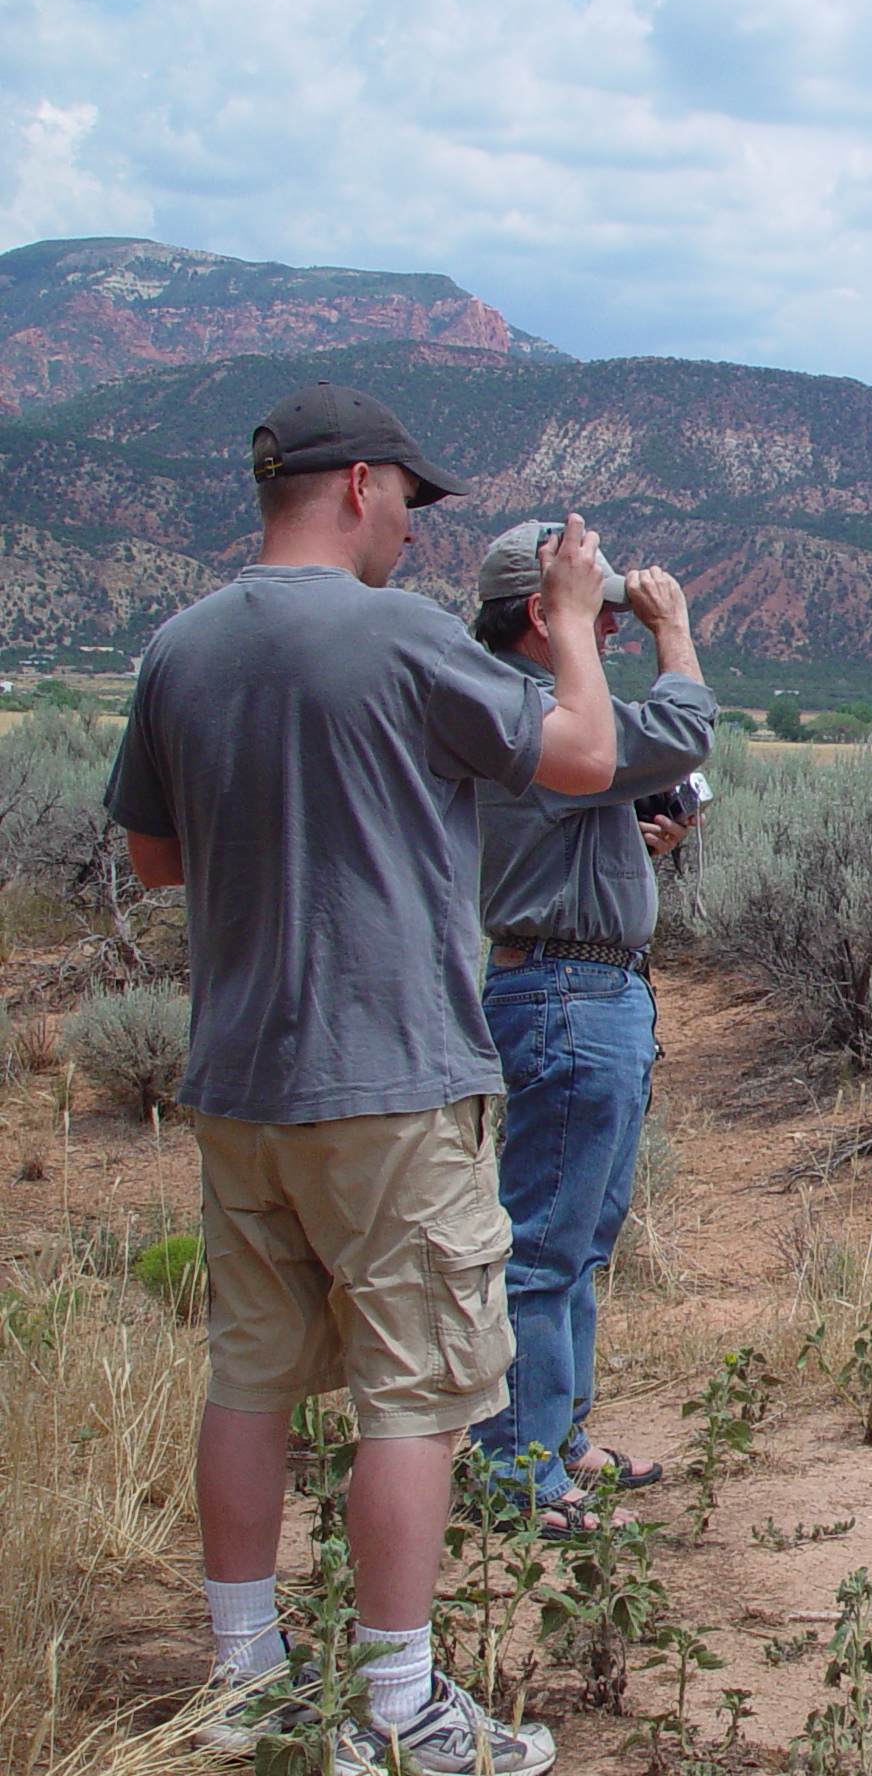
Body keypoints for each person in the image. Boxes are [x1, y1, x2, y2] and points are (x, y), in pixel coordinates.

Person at [107, 382, 621, 1776]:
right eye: (411, 498)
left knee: (252, 1380)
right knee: (417, 1390)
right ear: (354, 487)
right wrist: (573, 622)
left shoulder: (180, 646)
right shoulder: (396, 636)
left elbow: (155, 858)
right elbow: (584, 754)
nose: (416, 527)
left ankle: (246, 1683)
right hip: (388, 1075)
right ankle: (402, 1712)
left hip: (235, 1079)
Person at [464, 522, 716, 1528]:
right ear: (544, 614)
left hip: (581, 988)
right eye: (598, 612)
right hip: (569, 997)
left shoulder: (520, 712)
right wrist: (676, 629)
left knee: (575, 1236)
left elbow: (582, 814)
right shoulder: (532, 712)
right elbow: (683, 730)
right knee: (542, 1246)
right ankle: (520, 1475)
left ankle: (554, 1443)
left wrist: (631, 847)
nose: (614, 629)